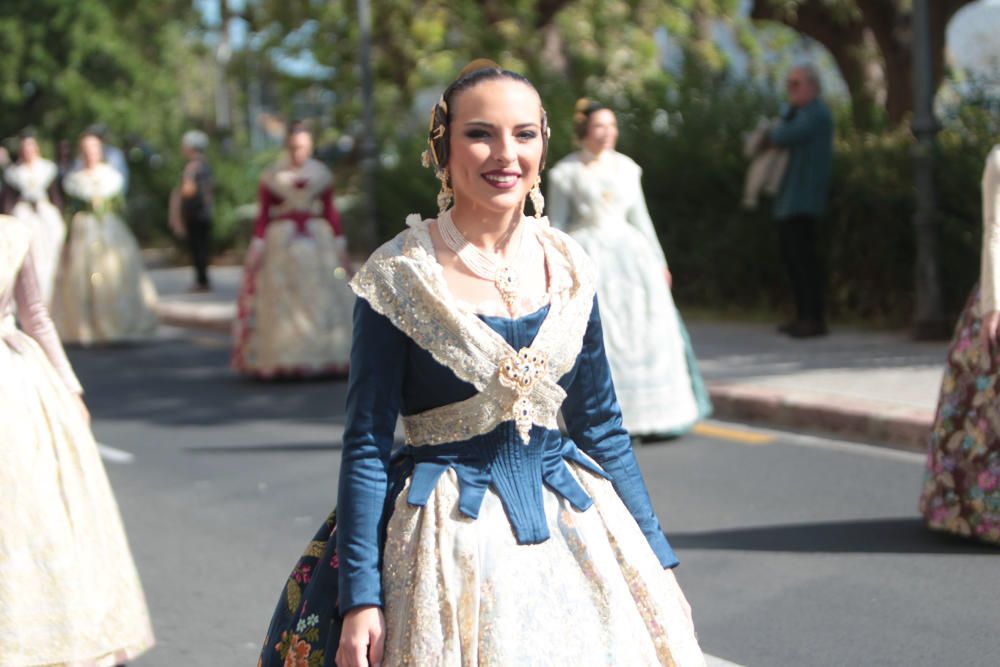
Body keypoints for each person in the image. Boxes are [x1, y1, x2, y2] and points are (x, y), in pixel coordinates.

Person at [257, 61, 705, 667]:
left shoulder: (572, 265)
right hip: (446, 548)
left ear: (544, 146)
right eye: (480, 134)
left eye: (524, 134)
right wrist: (361, 597)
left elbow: (601, 425)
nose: (505, 154)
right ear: (442, 150)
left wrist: (656, 558)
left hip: (577, 531)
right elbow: (365, 443)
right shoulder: (398, 276)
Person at [0, 214, 154, 665]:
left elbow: (36, 316)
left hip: (16, 393)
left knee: (29, 514)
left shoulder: (13, 232)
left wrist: (70, 389)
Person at [547, 99, 711, 439]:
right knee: (605, 334)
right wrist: (559, 268)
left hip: (632, 258)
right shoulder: (566, 173)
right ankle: (611, 417)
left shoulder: (627, 168)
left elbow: (642, 220)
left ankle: (660, 416)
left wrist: (660, 260)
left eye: (612, 126)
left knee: (645, 328)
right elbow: (557, 226)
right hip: (591, 258)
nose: (607, 134)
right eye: (599, 127)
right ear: (583, 131)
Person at [920, 145, 1000, 544]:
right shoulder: (998, 160)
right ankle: (975, 512)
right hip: (996, 297)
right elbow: (994, 230)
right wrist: (993, 306)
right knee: (980, 415)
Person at [231, 123, 354, 378]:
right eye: (294, 147)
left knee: (322, 295)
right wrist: (258, 243)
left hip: (318, 241)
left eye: (303, 147)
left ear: (309, 147)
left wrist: (339, 239)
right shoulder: (272, 175)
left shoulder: (320, 173)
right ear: (287, 146)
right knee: (282, 299)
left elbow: (330, 211)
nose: (299, 152)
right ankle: (285, 358)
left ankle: (325, 355)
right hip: (282, 242)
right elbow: (263, 214)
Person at [52, 129, 158, 345]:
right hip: (84, 230)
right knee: (84, 276)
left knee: (114, 271)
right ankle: (88, 325)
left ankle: (118, 321)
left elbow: (119, 206)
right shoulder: (75, 180)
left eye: (94, 148)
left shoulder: (111, 176)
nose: (90, 153)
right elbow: (71, 212)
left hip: (110, 230)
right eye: (86, 149)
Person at [769, 63, 834, 339]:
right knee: (793, 261)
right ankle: (802, 315)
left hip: (804, 200)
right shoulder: (800, 113)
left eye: (796, 84)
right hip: (791, 200)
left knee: (805, 261)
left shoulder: (816, 114)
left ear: (812, 86)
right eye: (789, 84)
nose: (791, 90)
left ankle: (812, 318)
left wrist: (781, 123)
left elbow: (781, 134)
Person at [2, 129, 65, 305]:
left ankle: (50, 299)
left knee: (49, 259)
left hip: (45, 220)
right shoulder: (14, 173)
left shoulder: (47, 169)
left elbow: (56, 197)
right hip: (23, 218)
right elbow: (8, 201)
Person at [170, 129, 214, 292]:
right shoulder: (205, 164)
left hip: (196, 214)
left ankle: (202, 281)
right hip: (204, 213)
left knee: (198, 249)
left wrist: (177, 195)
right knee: (202, 248)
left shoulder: (193, 166)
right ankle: (203, 280)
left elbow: (189, 189)